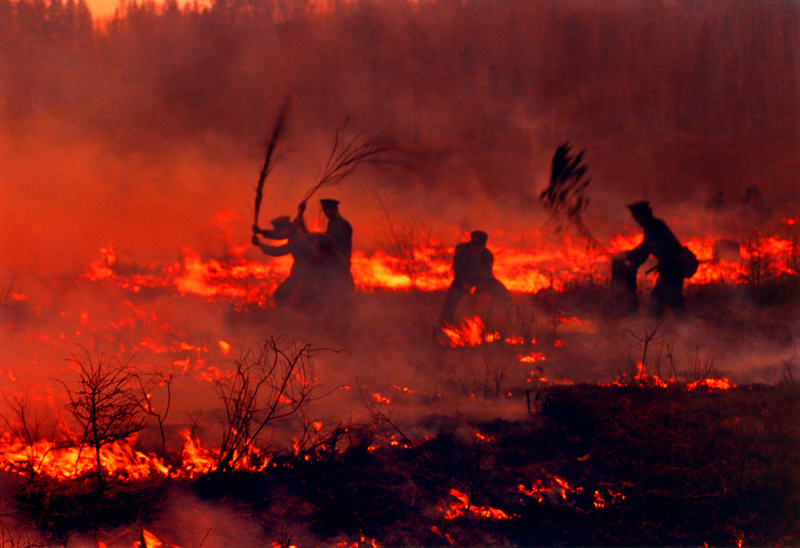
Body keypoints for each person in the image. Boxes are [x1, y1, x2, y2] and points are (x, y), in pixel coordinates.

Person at [621, 201, 690, 319]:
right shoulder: (652, 225)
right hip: (672, 267)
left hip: (672, 267)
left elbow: (646, 247)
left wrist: (627, 257)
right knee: (676, 302)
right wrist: (633, 263)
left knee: (657, 301)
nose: (636, 220)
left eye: (636, 217)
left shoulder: (653, 226)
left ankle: (651, 331)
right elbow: (646, 248)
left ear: (644, 216)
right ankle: (691, 330)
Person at [437, 230, 512, 329]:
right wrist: (464, 284)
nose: (475, 249)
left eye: (478, 247)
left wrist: (477, 293)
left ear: (484, 245)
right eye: (473, 246)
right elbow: (457, 268)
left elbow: (486, 276)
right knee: (452, 297)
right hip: (462, 279)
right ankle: (444, 325)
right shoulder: (461, 249)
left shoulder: (488, 255)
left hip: (481, 281)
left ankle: (508, 322)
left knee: (503, 293)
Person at [252, 214, 318, 307]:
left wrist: (260, 244)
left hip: (306, 275)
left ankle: (285, 317)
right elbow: (278, 235)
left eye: (280, 231)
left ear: (286, 228)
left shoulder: (297, 239)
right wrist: (261, 232)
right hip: (300, 273)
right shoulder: (293, 233)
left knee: (281, 295)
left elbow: (277, 251)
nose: (279, 235)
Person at [319, 199, 353, 265]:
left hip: (340, 263)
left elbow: (340, 246)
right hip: (331, 262)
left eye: (327, 210)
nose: (325, 213)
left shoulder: (343, 224)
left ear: (334, 209)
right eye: (324, 211)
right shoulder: (331, 223)